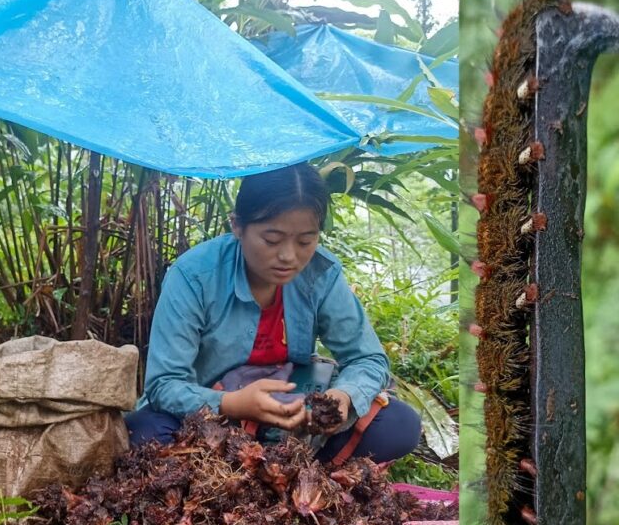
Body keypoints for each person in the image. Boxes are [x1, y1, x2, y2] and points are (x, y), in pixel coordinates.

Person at [125, 162, 421, 464]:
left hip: (293, 416)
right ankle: (264, 468)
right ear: (237, 225)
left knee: (399, 425)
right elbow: (164, 385)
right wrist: (231, 404)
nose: (289, 256)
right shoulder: (193, 276)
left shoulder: (321, 274)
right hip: (213, 416)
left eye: (306, 240)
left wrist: (344, 396)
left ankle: (289, 471)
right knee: (146, 433)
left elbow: (367, 358)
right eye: (272, 239)